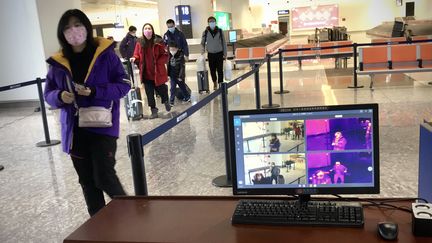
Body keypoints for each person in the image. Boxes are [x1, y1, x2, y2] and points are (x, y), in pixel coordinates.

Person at [44, 9, 129, 216]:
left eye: (78, 25)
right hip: (75, 132)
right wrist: (60, 96)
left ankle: (131, 214)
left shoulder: (106, 55)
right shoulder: (58, 62)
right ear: (62, 34)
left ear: (87, 27)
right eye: (67, 27)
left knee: (104, 176)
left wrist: (94, 91)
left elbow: (124, 85)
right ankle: (99, 229)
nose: (73, 31)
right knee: (88, 183)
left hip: (103, 127)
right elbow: (48, 93)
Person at [131, 23, 171, 119]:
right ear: (143, 31)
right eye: (145, 28)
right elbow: (137, 54)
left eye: (149, 28)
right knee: (149, 94)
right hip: (146, 74)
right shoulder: (139, 42)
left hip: (157, 73)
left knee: (162, 90)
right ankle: (153, 110)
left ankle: (166, 100)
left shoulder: (158, 41)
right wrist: (134, 58)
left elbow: (165, 55)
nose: (147, 30)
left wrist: (159, 62)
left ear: (152, 30)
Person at [200, 16, 227, 90]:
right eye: (210, 21)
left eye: (213, 21)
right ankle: (215, 82)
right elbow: (202, 43)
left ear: (215, 22)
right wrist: (202, 51)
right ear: (208, 23)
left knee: (220, 69)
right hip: (211, 54)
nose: (212, 23)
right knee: (212, 70)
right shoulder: (205, 32)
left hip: (219, 53)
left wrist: (225, 53)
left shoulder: (220, 31)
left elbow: (224, 43)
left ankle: (220, 83)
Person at [167, 41, 191, 105]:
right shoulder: (169, 56)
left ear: (177, 49)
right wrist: (168, 75)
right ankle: (171, 101)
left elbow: (182, 67)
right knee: (172, 88)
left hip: (179, 76)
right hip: (172, 76)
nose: (172, 51)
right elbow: (168, 66)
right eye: (170, 49)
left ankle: (187, 97)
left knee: (182, 87)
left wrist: (180, 76)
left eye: (173, 49)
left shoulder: (180, 56)